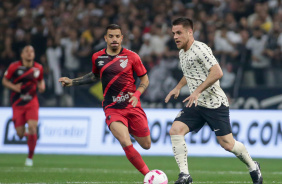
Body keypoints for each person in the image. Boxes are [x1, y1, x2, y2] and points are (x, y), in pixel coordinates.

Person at [165, 18, 263, 184]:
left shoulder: (201, 49)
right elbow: (189, 73)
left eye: (179, 32)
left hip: (214, 103)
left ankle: (253, 166)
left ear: (190, 32)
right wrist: (178, 87)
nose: (175, 36)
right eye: (174, 33)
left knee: (227, 144)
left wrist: (196, 91)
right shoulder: (182, 53)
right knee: (175, 130)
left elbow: (217, 72)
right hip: (196, 103)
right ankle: (185, 175)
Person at [59, 24, 151, 176]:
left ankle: (128, 126)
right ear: (106, 38)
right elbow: (95, 76)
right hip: (112, 108)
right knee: (125, 141)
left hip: (132, 106)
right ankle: (149, 175)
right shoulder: (97, 57)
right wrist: (72, 81)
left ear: (122, 38)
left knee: (146, 145)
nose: (114, 39)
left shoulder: (132, 56)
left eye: (117, 36)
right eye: (111, 36)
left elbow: (145, 80)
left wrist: (137, 94)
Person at [2, 45, 45, 166]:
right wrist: (14, 87)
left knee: (32, 127)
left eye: (32, 51)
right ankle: (30, 136)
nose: (30, 53)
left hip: (32, 102)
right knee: (20, 134)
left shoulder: (38, 68)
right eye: (27, 51)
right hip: (17, 103)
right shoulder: (14, 67)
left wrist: (42, 86)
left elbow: (41, 80)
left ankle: (30, 158)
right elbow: (4, 81)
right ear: (22, 55)